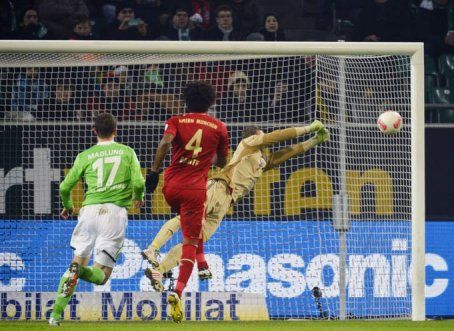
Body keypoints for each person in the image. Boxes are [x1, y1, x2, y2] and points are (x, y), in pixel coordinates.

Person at [142, 121, 329, 292]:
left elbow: (286, 153)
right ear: (253, 136)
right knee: (186, 220)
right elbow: (278, 136)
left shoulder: (261, 161)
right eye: (261, 135)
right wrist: (308, 128)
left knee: (197, 239)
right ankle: (153, 248)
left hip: (227, 203)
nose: (263, 140)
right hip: (219, 187)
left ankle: (158, 270)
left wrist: (314, 141)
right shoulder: (248, 144)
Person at [144, 81, 230, 323]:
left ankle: (158, 250)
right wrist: (206, 159)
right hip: (195, 189)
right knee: (190, 240)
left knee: (185, 220)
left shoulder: (176, 121)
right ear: (211, 101)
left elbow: (164, 143)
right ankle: (178, 292)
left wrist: (153, 172)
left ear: (186, 100)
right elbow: (224, 161)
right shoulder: (219, 127)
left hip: (170, 186)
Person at [48, 113, 145, 326]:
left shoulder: (85, 155)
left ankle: (55, 316)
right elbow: (138, 183)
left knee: (76, 261)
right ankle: (80, 271)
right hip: (114, 214)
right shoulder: (127, 152)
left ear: (95, 132)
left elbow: (64, 186)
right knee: (102, 276)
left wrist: (68, 206)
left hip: (88, 212)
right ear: (115, 131)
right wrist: (139, 198)